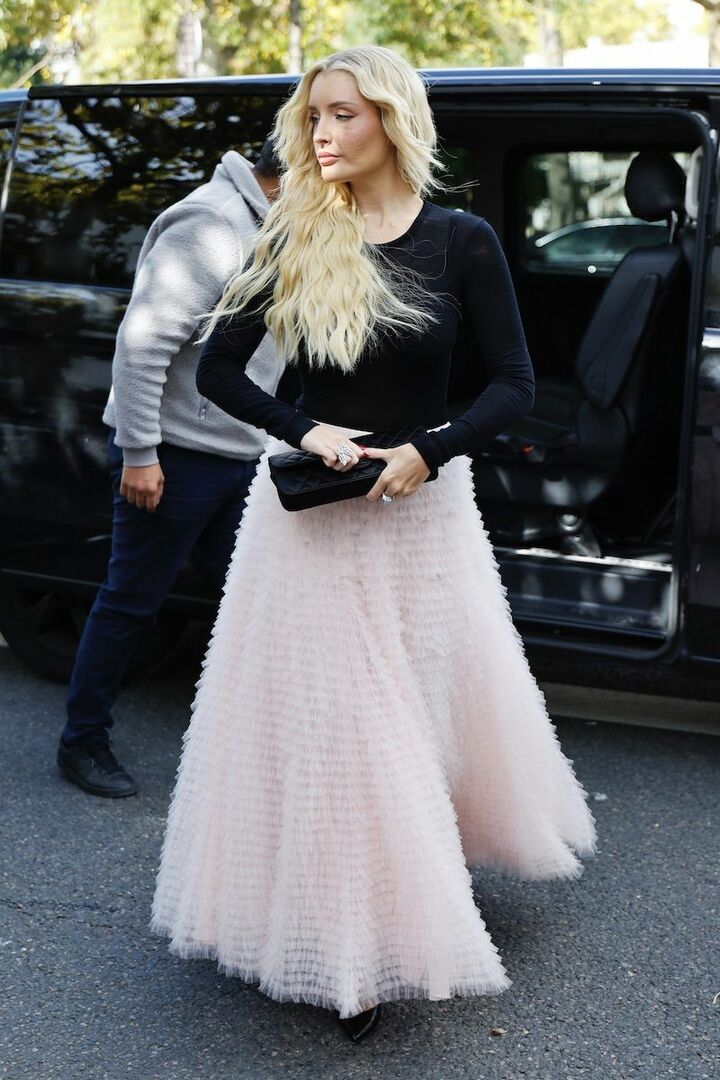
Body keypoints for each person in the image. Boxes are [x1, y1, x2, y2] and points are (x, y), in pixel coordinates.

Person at [149, 46, 598, 1042]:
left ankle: (415, 878)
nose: (322, 134)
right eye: (314, 117)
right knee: (344, 732)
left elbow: (514, 386)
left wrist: (429, 451)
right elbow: (220, 372)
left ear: (392, 120)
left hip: (425, 519)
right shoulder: (293, 235)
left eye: (343, 115)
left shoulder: (462, 240)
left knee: (418, 714)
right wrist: (306, 429)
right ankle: (353, 957)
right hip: (310, 526)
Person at [56, 138, 285, 799]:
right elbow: (143, 343)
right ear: (290, 170)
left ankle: (250, 748)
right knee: (131, 601)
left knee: (252, 602)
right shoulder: (212, 222)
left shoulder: (277, 224)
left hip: (241, 453)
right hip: (176, 454)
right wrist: (139, 453)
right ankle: (82, 742)